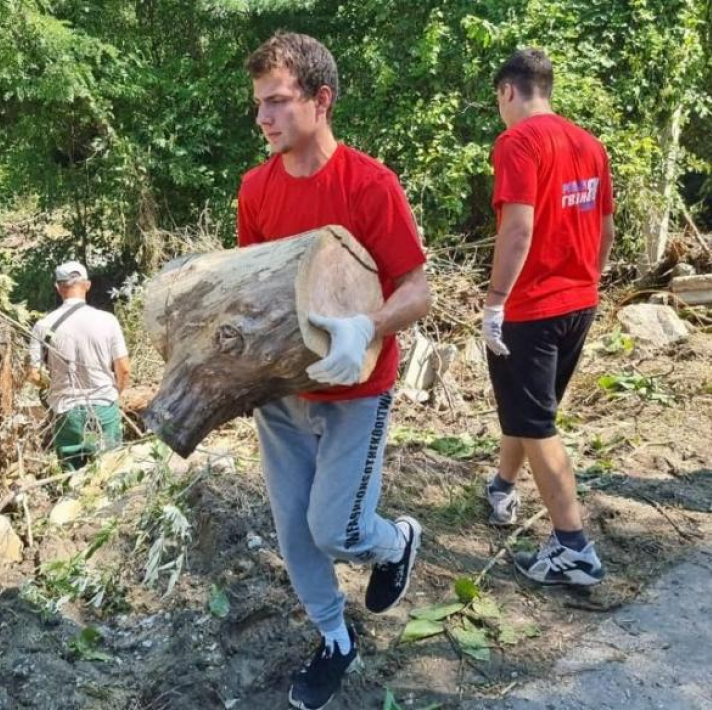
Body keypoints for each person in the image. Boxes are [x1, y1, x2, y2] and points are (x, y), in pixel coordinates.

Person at [238, 32, 431, 710]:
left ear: (321, 101)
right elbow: (256, 287)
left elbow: (417, 288)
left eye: (278, 103)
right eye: (258, 105)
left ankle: (395, 539)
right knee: (294, 534)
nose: (264, 119)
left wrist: (366, 327)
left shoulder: (369, 184)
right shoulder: (256, 189)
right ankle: (334, 638)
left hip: (358, 388)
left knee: (335, 528)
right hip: (284, 391)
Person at [482, 48, 615, 586]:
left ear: (508, 91)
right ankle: (501, 487)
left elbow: (517, 228)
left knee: (539, 424)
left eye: (498, 100)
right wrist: (589, 280)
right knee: (532, 409)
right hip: (579, 302)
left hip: (532, 308)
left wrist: (495, 301)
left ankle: (572, 546)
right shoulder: (589, 145)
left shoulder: (517, 143)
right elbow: (605, 229)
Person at [28, 261, 131, 470]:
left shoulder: (42, 326)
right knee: (110, 474)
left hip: (67, 413)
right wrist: (114, 393)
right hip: (104, 407)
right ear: (87, 285)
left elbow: (34, 375)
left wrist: (52, 386)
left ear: (58, 287)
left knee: (72, 478)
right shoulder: (108, 320)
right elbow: (124, 368)